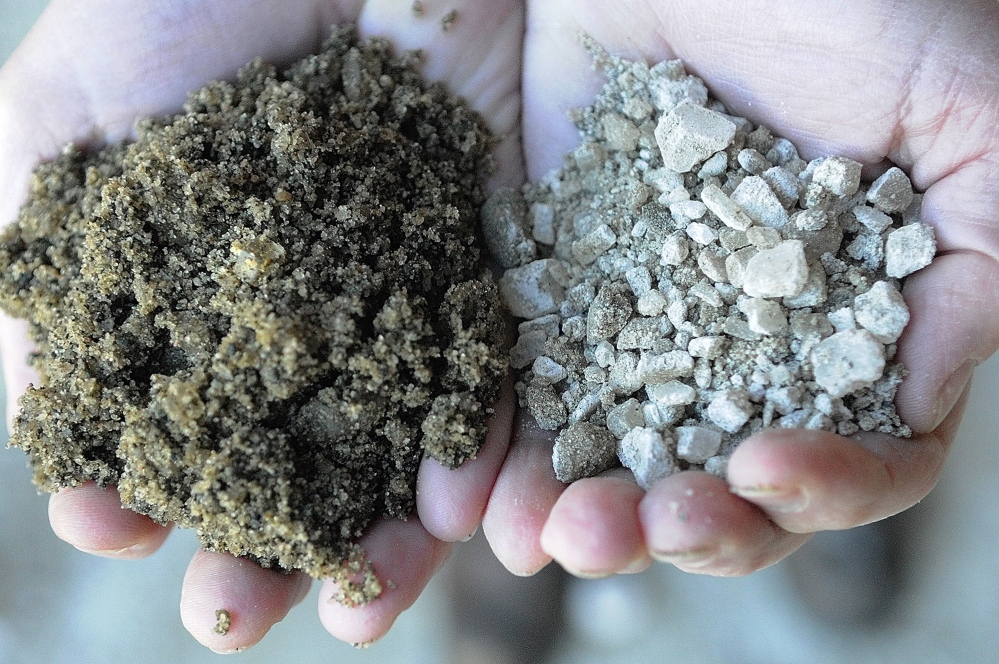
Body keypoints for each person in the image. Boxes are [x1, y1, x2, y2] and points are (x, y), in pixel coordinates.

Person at [2, 0, 997, 654]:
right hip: (473, 228)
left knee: (807, 446)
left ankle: (815, 510)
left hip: (734, 58)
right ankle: (510, 566)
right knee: (498, 412)